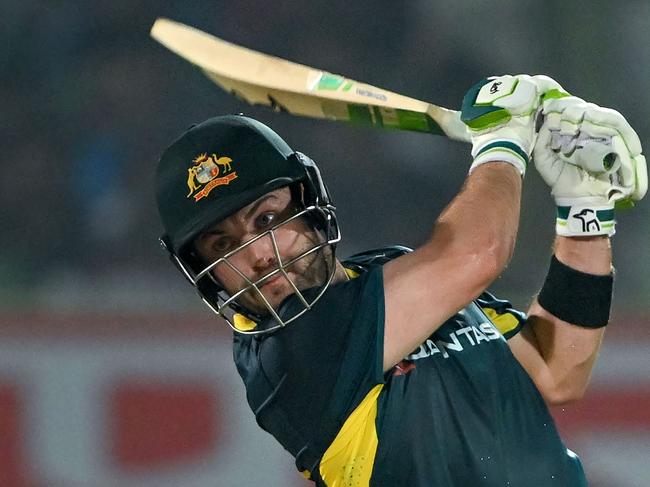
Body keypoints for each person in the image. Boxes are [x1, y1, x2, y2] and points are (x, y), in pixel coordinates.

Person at [154, 74, 647, 486]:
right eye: (222, 246)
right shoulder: (290, 351)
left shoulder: (393, 272)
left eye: (266, 220)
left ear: (309, 204)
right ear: (205, 273)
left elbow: (553, 370)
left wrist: (584, 209)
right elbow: (478, 251)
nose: (258, 257)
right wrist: (504, 139)